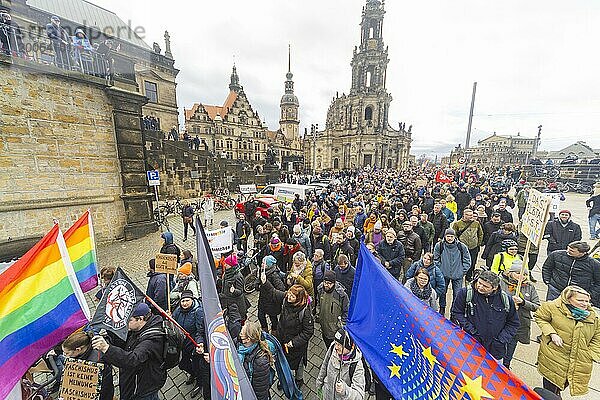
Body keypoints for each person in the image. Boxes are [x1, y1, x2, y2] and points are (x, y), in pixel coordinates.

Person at [91, 303, 167, 400]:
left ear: (140, 319)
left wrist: (106, 348)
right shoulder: (142, 326)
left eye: (129, 320)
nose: (126, 323)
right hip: (142, 378)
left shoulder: (151, 341)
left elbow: (132, 360)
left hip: (145, 384)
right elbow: (126, 343)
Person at [534, 285, 600, 397]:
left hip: (577, 361)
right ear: (568, 298)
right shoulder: (552, 307)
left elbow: (597, 337)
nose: (584, 304)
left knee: (563, 384)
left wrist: (591, 354)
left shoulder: (593, 317)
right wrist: (552, 333)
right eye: (580, 300)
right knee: (550, 386)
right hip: (554, 356)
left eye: (587, 301)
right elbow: (540, 317)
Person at [451, 270, 520, 363]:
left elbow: (513, 323)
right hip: (471, 345)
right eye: (479, 283)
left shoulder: (506, 300)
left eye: (485, 286)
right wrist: (471, 330)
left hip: (495, 350)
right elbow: (457, 312)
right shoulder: (465, 293)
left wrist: (501, 340)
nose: (480, 287)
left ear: (494, 288)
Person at [262, 281, 314, 387]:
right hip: (283, 340)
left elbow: (308, 332)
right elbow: (273, 292)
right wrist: (265, 282)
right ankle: (285, 379)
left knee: (298, 363)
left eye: (292, 296)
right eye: (289, 293)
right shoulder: (286, 298)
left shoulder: (305, 312)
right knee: (284, 361)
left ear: (298, 299)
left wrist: (293, 343)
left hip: (296, 345)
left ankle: (299, 380)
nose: (289, 297)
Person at [499, 261, 540, 369]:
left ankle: (506, 364)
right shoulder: (501, 282)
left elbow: (537, 306)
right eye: (518, 273)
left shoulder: (529, 287)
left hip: (519, 322)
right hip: (502, 320)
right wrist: (509, 302)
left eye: (525, 274)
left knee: (512, 344)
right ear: (510, 272)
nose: (522, 276)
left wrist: (523, 302)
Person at [542, 240, 600, 305]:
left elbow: (598, 282)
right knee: (550, 309)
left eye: (572, 251)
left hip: (577, 294)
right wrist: (547, 282)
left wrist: (589, 294)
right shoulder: (556, 255)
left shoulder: (594, 264)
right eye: (568, 249)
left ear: (582, 253)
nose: (568, 251)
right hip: (555, 289)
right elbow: (547, 268)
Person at [172, 290, 206, 398]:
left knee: (197, 365)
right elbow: (173, 322)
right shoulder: (178, 310)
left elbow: (200, 331)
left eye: (187, 300)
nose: (184, 303)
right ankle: (194, 374)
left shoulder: (198, 311)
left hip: (194, 343)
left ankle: (199, 383)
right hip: (183, 343)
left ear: (192, 300)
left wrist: (199, 343)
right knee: (183, 365)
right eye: (183, 301)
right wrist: (169, 318)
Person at [316, 328, 366, 400]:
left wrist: (345, 390)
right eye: (336, 342)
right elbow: (325, 364)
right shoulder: (333, 346)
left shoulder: (357, 365)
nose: (336, 347)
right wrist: (319, 383)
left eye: (339, 345)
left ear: (351, 347)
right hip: (327, 394)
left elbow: (359, 396)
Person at [62, 331, 114, 400]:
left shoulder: (97, 362)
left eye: (67, 353)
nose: (64, 355)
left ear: (78, 349)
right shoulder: (79, 354)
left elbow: (103, 388)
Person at [433, 229, 471, 315]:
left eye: (451, 236)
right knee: (442, 292)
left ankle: (454, 311)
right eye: (448, 236)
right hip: (443, 275)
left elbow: (467, 260)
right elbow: (436, 259)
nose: (449, 238)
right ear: (445, 236)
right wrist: (440, 271)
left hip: (458, 275)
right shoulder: (439, 246)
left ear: (455, 237)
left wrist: (462, 271)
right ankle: (442, 308)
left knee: (457, 294)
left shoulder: (462, 246)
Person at [238, 321, 274, 400]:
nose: (239, 335)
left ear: (247, 339)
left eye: (241, 334)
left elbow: (260, 390)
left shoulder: (261, 362)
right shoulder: (242, 346)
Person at [317, 270, 349, 348]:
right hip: (324, 327)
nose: (326, 285)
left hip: (335, 330)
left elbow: (347, 312)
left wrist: (339, 326)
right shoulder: (320, 289)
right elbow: (318, 303)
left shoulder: (341, 295)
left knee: (334, 348)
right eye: (325, 282)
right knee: (327, 344)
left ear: (334, 283)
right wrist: (318, 314)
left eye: (329, 283)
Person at [452, 208, 483, 282]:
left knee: (472, 263)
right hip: (461, 248)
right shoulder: (457, 224)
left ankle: (469, 277)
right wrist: (457, 244)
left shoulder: (476, 223)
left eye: (471, 215)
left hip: (473, 247)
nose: (469, 217)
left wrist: (478, 243)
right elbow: (454, 234)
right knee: (459, 262)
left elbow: (480, 234)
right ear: (464, 214)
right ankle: (459, 276)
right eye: (467, 215)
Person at [257, 255, 286, 333]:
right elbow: (258, 282)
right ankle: (265, 329)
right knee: (260, 316)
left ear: (269, 265)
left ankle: (274, 332)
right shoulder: (263, 270)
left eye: (264, 263)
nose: (262, 264)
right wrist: (257, 285)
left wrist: (267, 285)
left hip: (271, 303)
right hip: (262, 300)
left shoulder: (274, 275)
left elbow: (281, 289)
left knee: (273, 319)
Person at [218, 253, 249, 321]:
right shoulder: (227, 272)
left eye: (227, 264)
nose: (225, 265)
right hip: (227, 301)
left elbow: (240, 291)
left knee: (238, 319)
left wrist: (234, 291)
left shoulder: (238, 276)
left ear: (231, 265)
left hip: (236, 303)